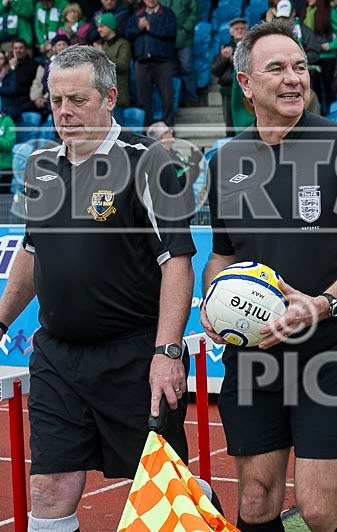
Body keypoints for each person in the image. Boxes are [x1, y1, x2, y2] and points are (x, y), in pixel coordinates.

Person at [200, 21, 337, 532]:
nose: (293, 78)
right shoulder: (226, 161)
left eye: (300, 67)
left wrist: (322, 303)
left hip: (329, 352)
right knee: (257, 502)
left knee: (318, 507)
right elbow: (220, 255)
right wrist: (209, 301)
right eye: (277, 68)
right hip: (253, 356)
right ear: (245, 83)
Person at [0, 45, 196, 532]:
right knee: (48, 488)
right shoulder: (40, 166)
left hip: (134, 359)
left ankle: (199, 500)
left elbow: (178, 262)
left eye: (77, 100)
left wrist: (168, 351)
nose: (64, 112)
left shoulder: (151, 163)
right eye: (56, 100)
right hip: (57, 359)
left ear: (109, 98)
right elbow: (30, 252)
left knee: (160, 494)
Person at [126, 0, 178, 126]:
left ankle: (168, 129)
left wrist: (150, 27)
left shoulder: (167, 13)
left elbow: (171, 32)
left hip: (163, 61)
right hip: (142, 61)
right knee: (143, 99)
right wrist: (139, 28)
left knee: (167, 97)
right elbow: (127, 33)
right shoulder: (137, 15)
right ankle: (146, 131)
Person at [302, 0, 337, 115]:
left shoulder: (329, 10)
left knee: (329, 89)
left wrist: (331, 45)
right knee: (314, 89)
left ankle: (331, 116)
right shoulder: (304, 11)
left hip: (327, 57)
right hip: (311, 56)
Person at [211, 16, 247, 137]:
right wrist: (224, 59)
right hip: (228, 90)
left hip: (245, 92)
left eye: (242, 28)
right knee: (230, 123)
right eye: (236, 29)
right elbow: (215, 70)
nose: (240, 31)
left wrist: (233, 59)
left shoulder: (250, 48)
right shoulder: (225, 48)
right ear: (231, 31)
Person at [92, 12, 131, 118]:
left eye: (102, 26)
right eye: (98, 27)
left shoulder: (123, 44)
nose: (99, 29)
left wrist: (104, 54)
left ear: (110, 27)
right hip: (101, 97)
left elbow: (123, 66)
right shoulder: (101, 44)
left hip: (119, 97)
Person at [161, 0, 200, 106]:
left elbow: (195, 12)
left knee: (186, 68)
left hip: (184, 39)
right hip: (166, 40)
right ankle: (177, 101)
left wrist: (186, 28)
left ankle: (192, 99)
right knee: (171, 71)